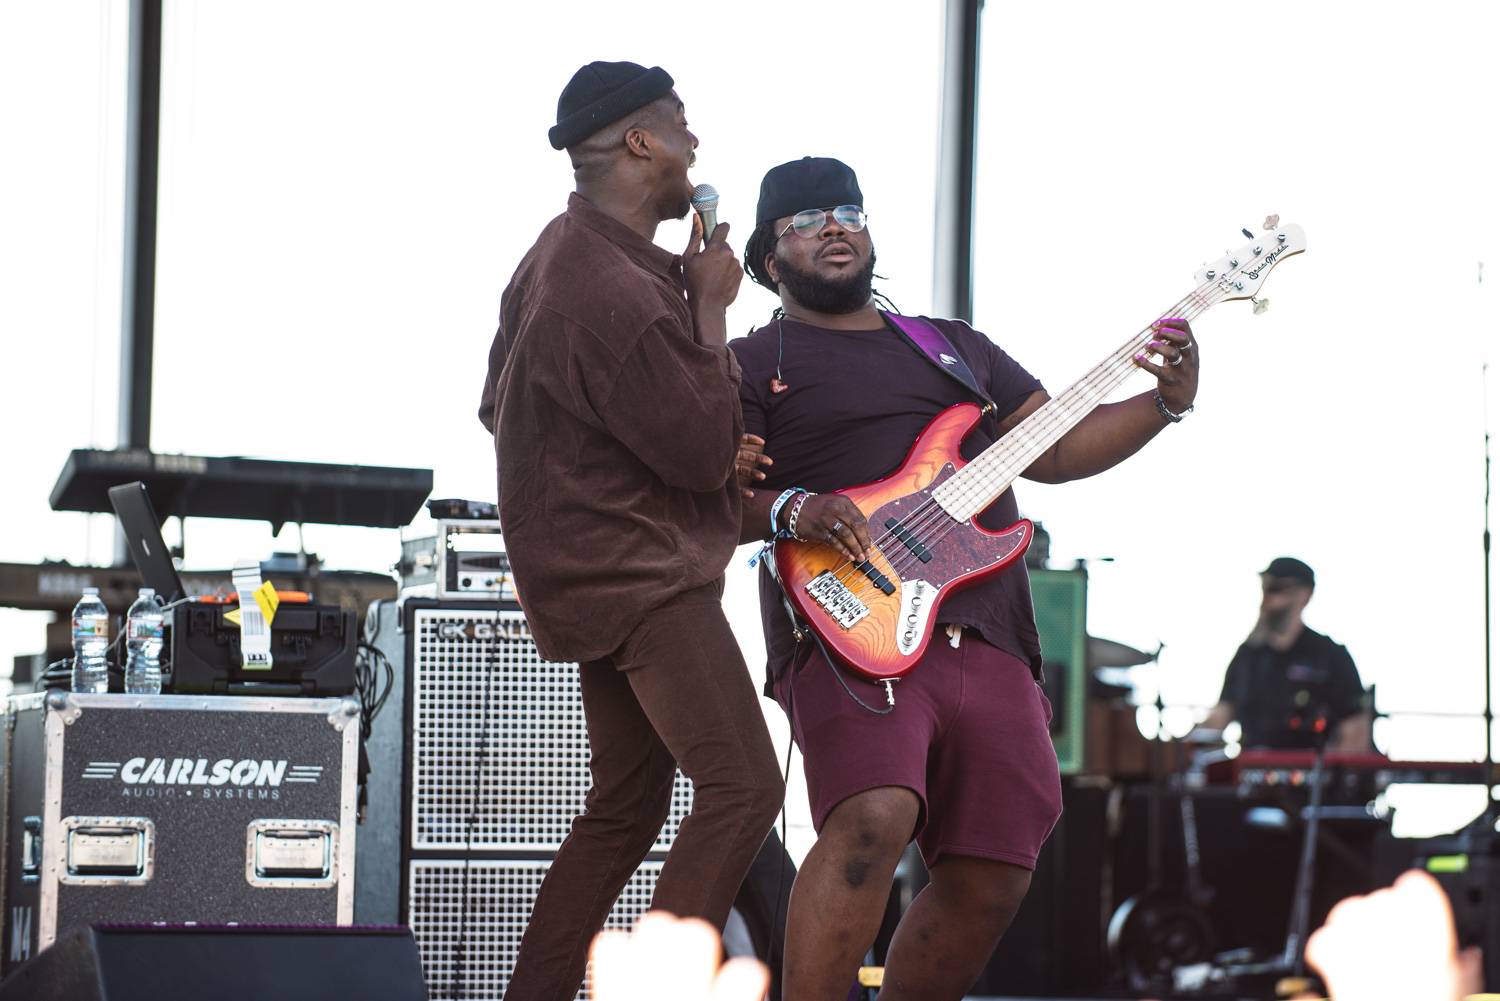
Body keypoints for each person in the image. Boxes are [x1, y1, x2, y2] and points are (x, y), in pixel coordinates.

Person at [729, 156, 1201, 1001]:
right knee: (871, 822)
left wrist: (1164, 404)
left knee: (997, 865)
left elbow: (1053, 447)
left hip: (984, 628)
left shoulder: (955, 349)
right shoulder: (751, 359)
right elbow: (716, 497)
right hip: (848, 627)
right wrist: (793, 507)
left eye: (847, 210)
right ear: (769, 259)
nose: (833, 226)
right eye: (805, 221)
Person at [478, 61, 782, 1001]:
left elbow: (502, 406)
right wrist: (713, 307)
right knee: (742, 790)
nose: (697, 143)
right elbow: (698, 454)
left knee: (626, 805)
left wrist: (653, 450)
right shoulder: (612, 285)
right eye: (682, 125)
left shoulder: (553, 256)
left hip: (588, 578)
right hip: (645, 581)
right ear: (641, 142)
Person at [1202, 557, 1370, 751]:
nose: (1268, 599)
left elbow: (1355, 732)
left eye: (1277, 589)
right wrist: (1182, 746)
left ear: (1305, 595)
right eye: (1265, 589)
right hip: (1253, 772)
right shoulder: (1248, 656)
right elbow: (1221, 715)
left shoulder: (1331, 656)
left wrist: (1329, 776)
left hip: (1313, 774)